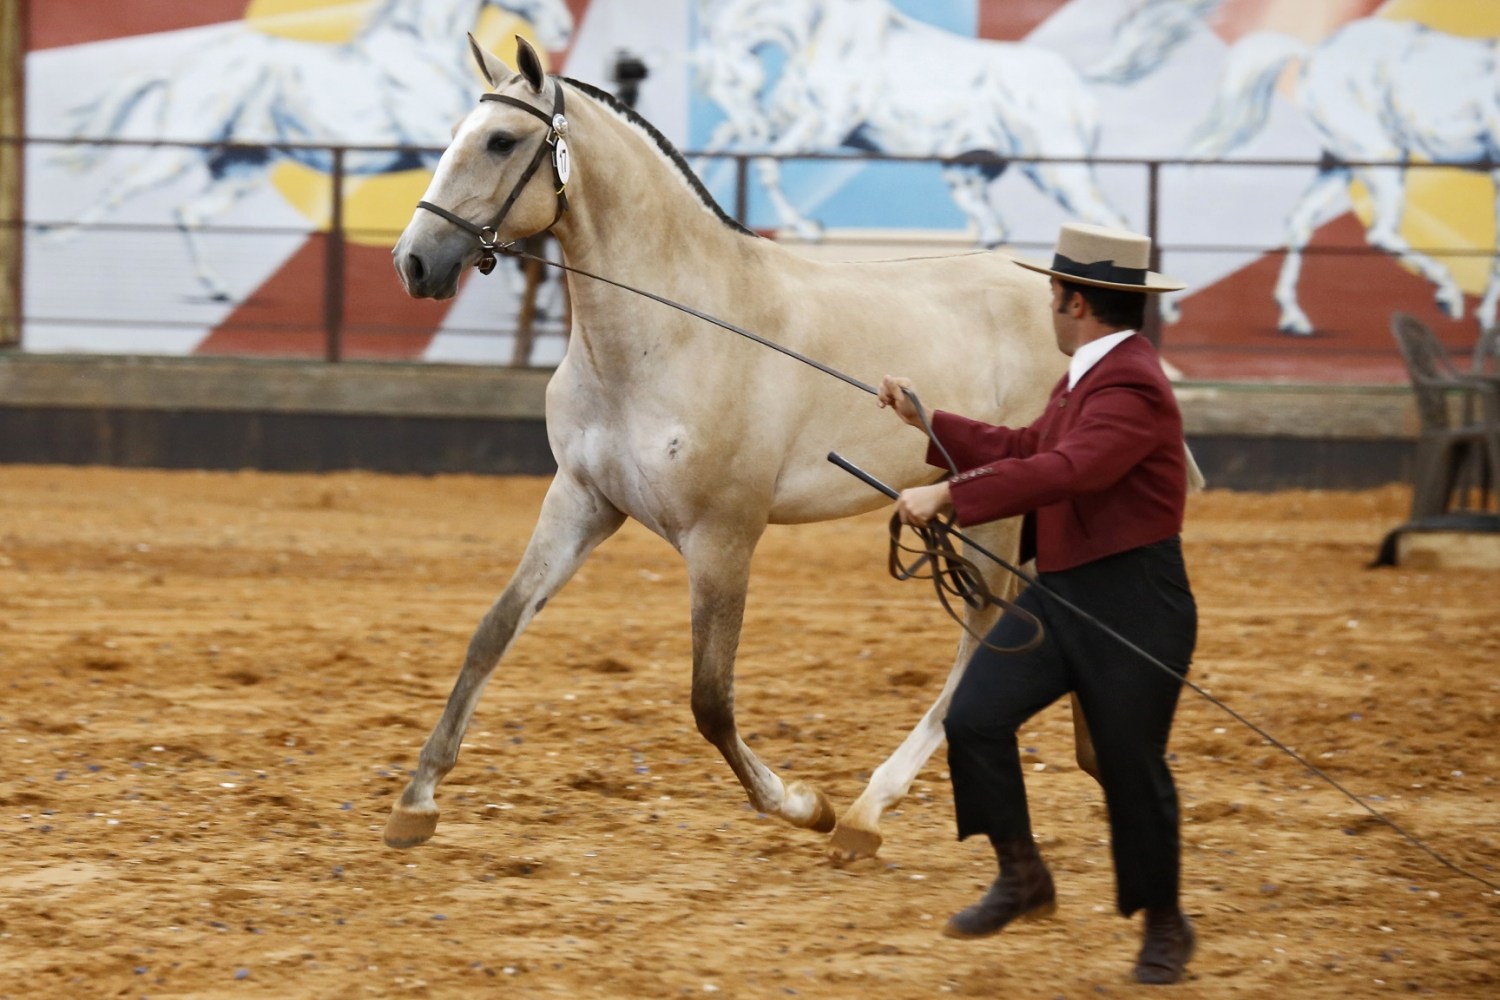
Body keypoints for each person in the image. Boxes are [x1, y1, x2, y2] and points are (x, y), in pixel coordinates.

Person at [877, 222, 1198, 985]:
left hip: (1134, 604)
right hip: (1064, 589)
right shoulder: (1092, 373)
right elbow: (1031, 450)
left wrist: (951, 493)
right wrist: (931, 422)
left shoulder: (1132, 384)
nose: (1049, 306)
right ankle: (1022, 875)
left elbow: (1071, 470)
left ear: (1075, 301)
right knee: (976, 719)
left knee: (1129, 766)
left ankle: (1165, 924)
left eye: (1052, 295)